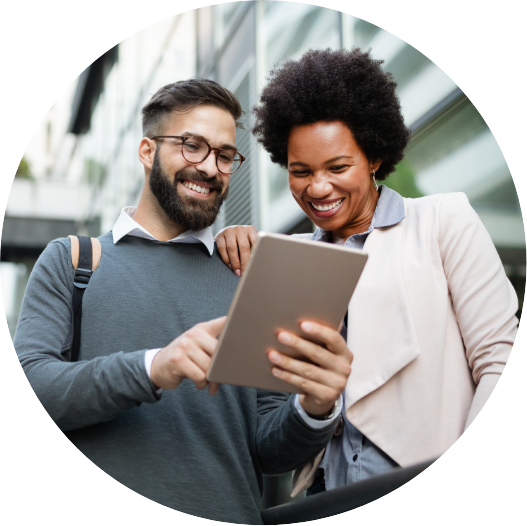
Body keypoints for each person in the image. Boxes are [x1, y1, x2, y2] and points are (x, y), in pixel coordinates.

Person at [14, 78, 354, 523]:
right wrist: (154, 366)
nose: (210, 167)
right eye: (192, 145)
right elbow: (31, 392)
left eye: (225, 154)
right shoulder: (74, 260)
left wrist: (316, 407)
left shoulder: (249, 275)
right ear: (147, 151)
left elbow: (270, 450)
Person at [215, 48, 519, 496]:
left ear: (374, 157)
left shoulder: (441, 221)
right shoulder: (287, 259)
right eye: (301, 172)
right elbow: (271, 405)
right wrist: (232, 241)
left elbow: (501, 360)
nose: (318, 188)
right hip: (327, 495)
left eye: (338, 167)